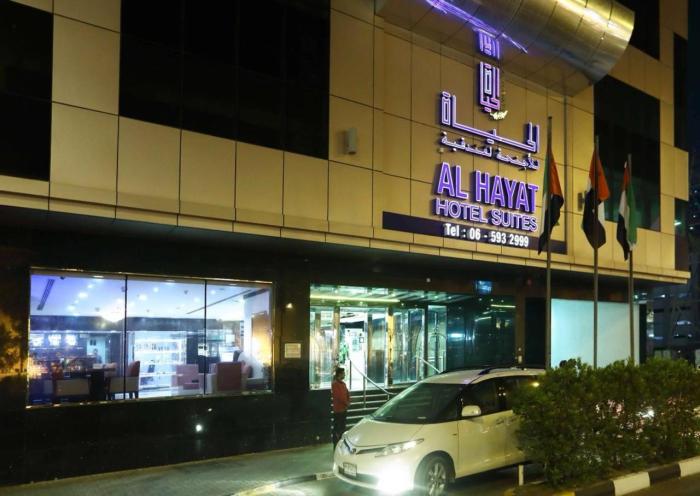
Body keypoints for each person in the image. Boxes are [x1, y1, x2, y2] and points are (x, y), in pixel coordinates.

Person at [331, 367, 351, 447]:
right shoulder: (335, 384)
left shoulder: (343, 384)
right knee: (337, 428)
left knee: (342, 428)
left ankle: (341, 444)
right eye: (343, 373)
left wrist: (348, 401)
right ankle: (336, 445)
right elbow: (340, 397)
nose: (344, 375)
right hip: (338, 410)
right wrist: (347, 403)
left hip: (343, 409)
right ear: (339, 374)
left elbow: (347, 394)